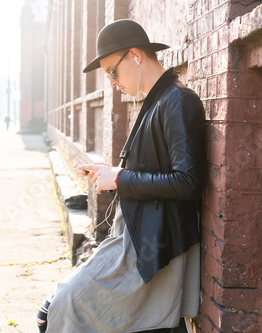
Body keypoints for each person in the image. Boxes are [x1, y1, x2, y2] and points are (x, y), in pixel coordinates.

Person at [36, 19, 205, 333]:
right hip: (137, 237)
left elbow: (189, 182)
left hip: (152, 248)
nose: (111, 82)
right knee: (53, 311)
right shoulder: (157, 101)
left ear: (136, 56)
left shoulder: (177, 102)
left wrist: (120, 179)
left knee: (54, 313)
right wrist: (114, 174)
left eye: (112, 70)